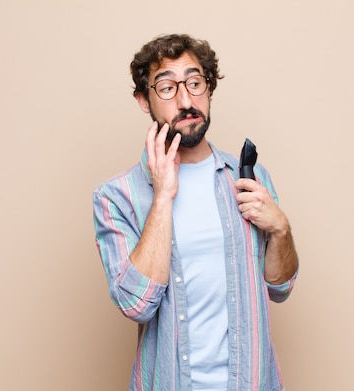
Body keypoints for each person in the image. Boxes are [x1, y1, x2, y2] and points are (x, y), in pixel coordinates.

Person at [93, 33, 299, 391]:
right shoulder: (117, 197)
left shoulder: (250, 179)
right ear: (144, 100)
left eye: (195, 82)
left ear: (209, 87)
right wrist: (162, 197)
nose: (187, 99)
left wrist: (281, 230)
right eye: (168, 88)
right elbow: (135, 305)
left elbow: (281, 288)